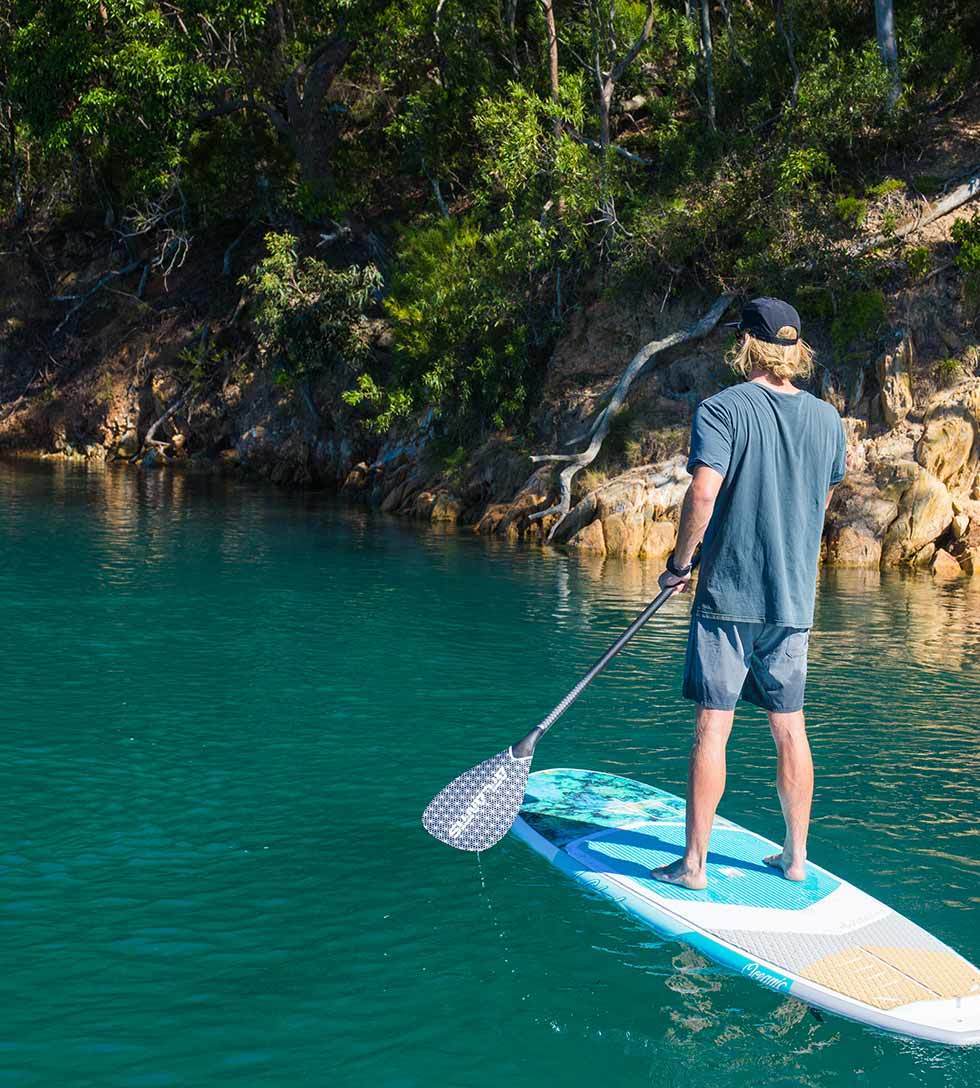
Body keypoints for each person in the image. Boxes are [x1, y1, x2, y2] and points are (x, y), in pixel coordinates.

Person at [651, 297, 846, 891]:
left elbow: (704, 495)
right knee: (791, 726)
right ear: (794, 349)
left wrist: (681, 562)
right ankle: (794, 858)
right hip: (793, 600)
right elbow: (822, 499)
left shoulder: (722, 409)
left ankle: (694, 866)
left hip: (730, 595)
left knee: (714, 726)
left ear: (746, 345)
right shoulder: (827, 419)